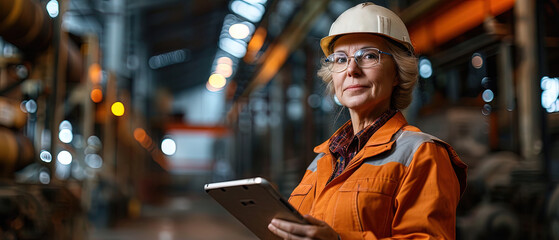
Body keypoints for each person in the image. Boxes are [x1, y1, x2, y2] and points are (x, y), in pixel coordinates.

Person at [268, 2, 467, 240]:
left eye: (369, 55)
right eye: (341, 59)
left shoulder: (422, 154)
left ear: (397, 73)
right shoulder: (321, 161)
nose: (352, 69)